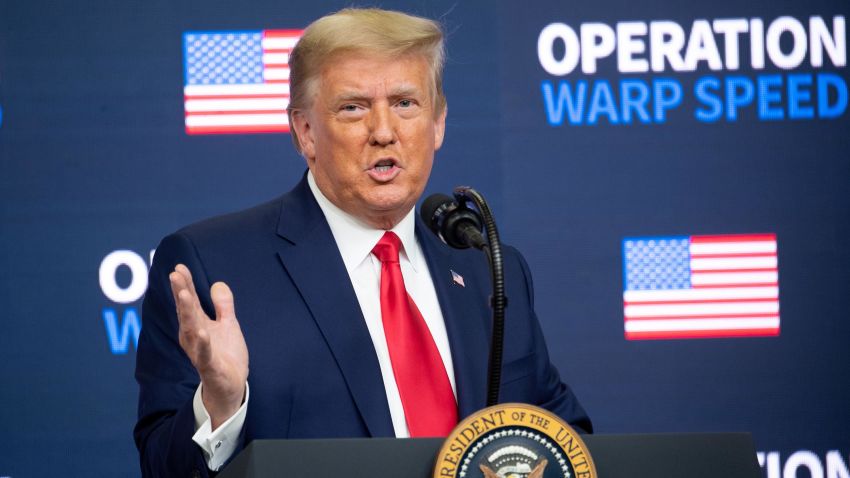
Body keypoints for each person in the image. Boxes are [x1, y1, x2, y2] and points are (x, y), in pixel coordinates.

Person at [134, 7, 591, 477]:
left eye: (405, 103)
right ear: (306, 131)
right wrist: (220, 405)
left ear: (438, 124)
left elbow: (565, 439)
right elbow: (161, 467)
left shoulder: (487, 269)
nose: (384, 132)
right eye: (353, 107)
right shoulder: (214, 268)